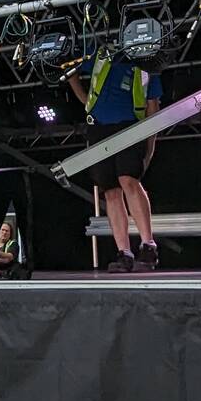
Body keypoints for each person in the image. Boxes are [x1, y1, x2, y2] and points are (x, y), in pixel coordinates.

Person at [67, 52, 163, 272]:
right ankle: (124, 252)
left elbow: (153, 104)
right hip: (99, 127)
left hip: (131, 125)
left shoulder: (146, 60)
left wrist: (150, 143)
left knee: (128, 179)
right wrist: (86, 101)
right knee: (110, 189)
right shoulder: (100, 55)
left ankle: (148, 245)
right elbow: (71, 72)